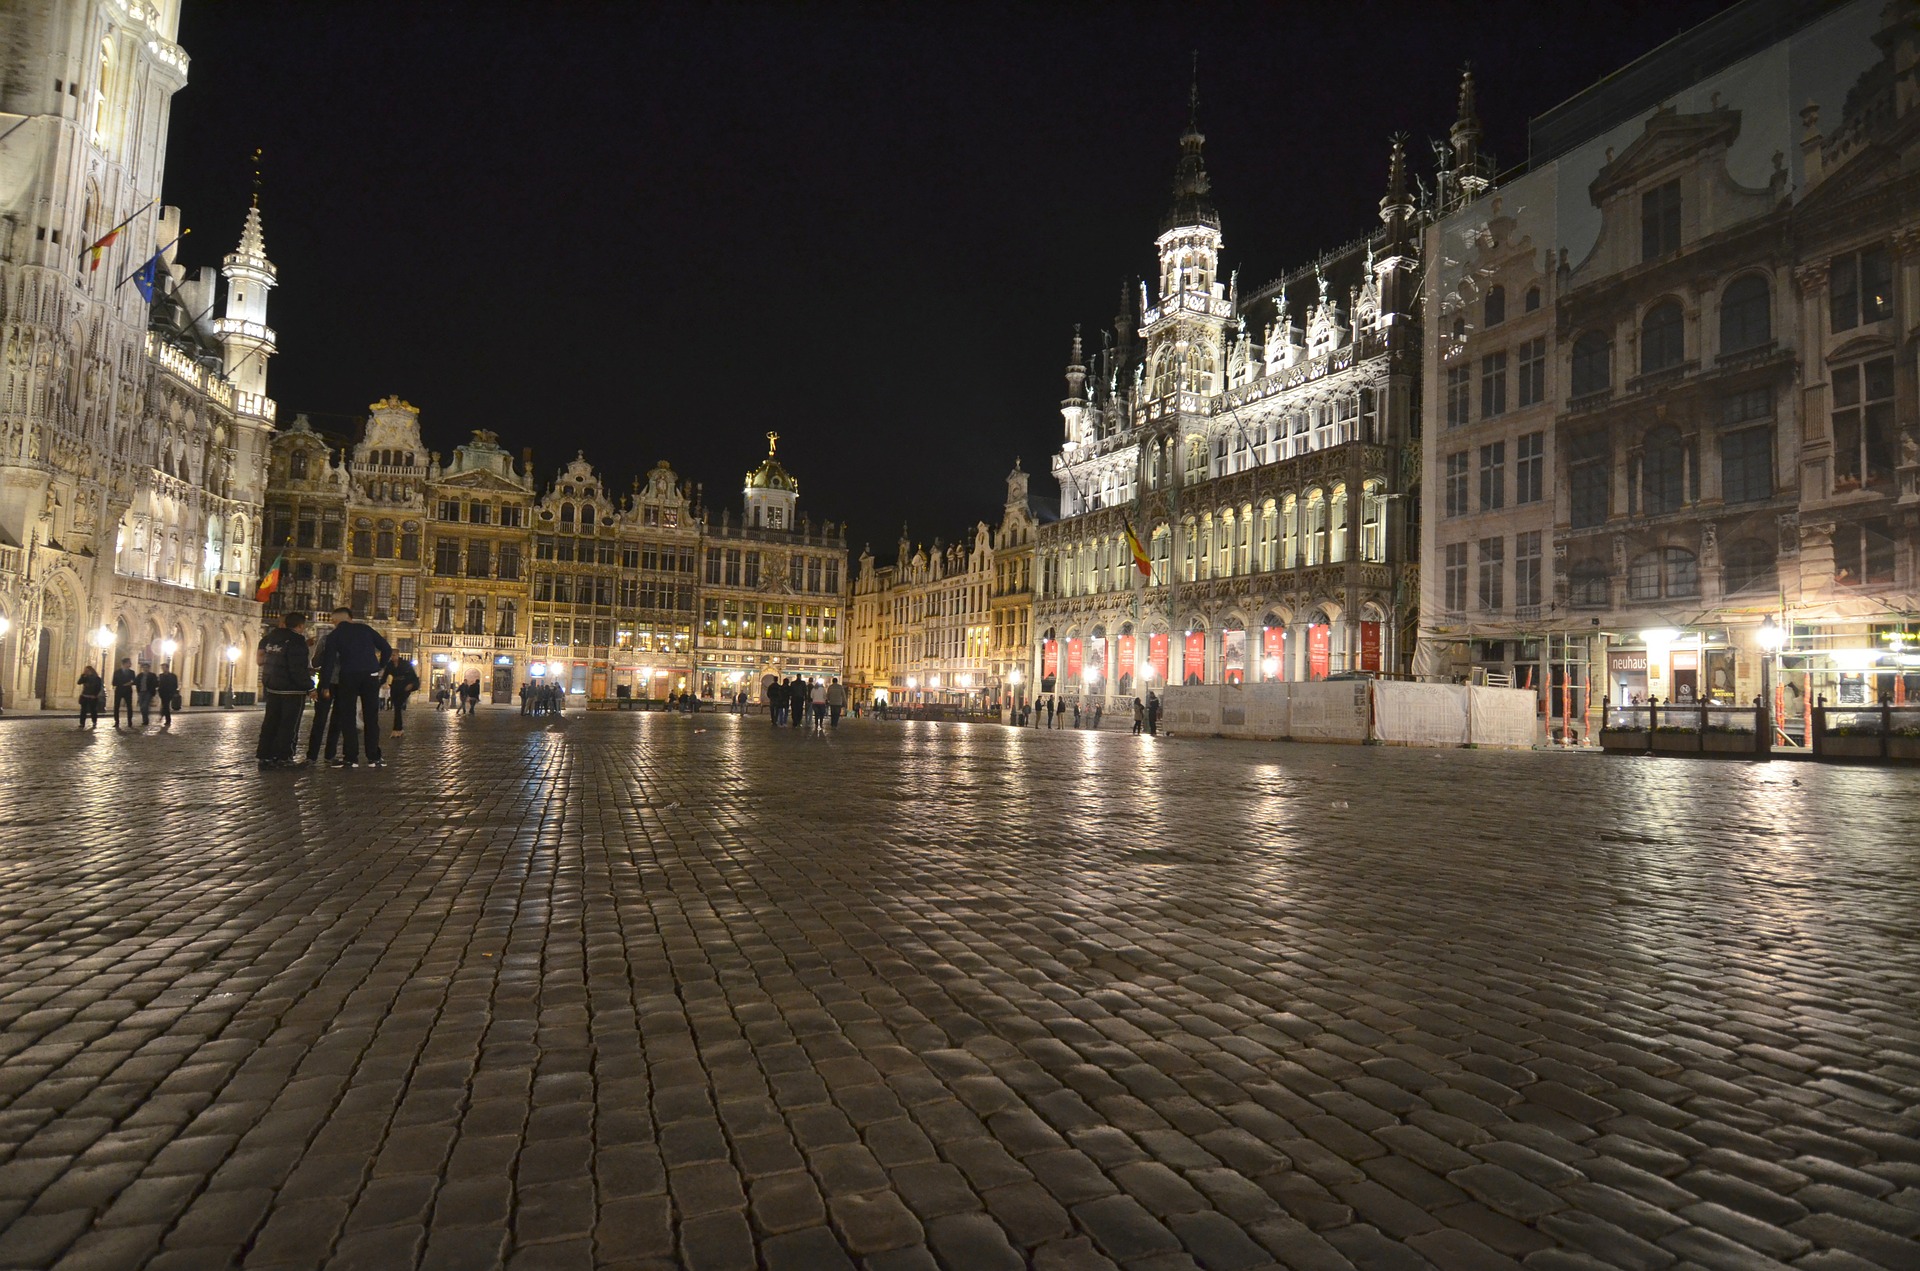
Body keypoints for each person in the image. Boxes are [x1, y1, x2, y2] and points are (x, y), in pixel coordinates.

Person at [319, 605, 392, 769]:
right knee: (371, 717)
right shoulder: (365, 629)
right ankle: (374, 757)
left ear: (336, 621)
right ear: (350, 618)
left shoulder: (334, 635)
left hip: (349, 675)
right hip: (370, 675)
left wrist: (325, 686)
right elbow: (386, 648)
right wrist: (379, 666)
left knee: (348, 716)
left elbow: (328, 662)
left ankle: (351, 758)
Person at [256, 612, 312, 768]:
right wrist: (309, 686)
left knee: (270, 722)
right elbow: (297, 668)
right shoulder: (297, 641)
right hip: (291, 690)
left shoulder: (271, 638)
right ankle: (284, 757)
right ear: (300, 626)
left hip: (272, 687)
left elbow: (263, 660)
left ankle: (265, 755)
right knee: (289, 724)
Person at [306, 622, 339, 766]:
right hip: (335, 683)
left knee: (326, 720)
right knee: (328, 721)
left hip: (332, 683)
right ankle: (321, 755)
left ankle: (319, 755)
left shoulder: (326, 639)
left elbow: (315, 662)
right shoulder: (326, 640)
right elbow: (315, 662)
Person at [387, 657, 421, 735]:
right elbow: (385, 675)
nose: (392, 656)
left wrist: (411, 684)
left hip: (404, 688)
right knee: (397, 708)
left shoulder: (405, 664)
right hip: (395, 688)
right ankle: (398, 728)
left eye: (394, 654)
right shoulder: (390, 665)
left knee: (398, 707)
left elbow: (413, 677)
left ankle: (397, 728)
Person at [110, 658, 137, 729]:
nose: (130, 664)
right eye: (129, 663)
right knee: (116, 706)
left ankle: (130, 721)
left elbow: (134, 681)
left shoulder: (132, 672)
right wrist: (123, 684)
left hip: (128, 691)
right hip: (119, 690)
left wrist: (131, 683)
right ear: (124, 664)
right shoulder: (117, 672)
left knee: (129, 706)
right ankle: (116, 721)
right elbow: (114, 682)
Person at [75, 665, 104, 729]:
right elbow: (79, 682)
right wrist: (82, 676)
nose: (85, 672)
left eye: (87, 670)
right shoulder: (85, 677)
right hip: (85, 695)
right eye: (85, 670)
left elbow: (98, 687)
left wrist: (95, 695)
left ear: (90, 671)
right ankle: (82, 723)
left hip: (92, 696)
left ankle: (94, 722)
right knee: (83, 711)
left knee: (93, 710)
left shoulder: (97, 678)